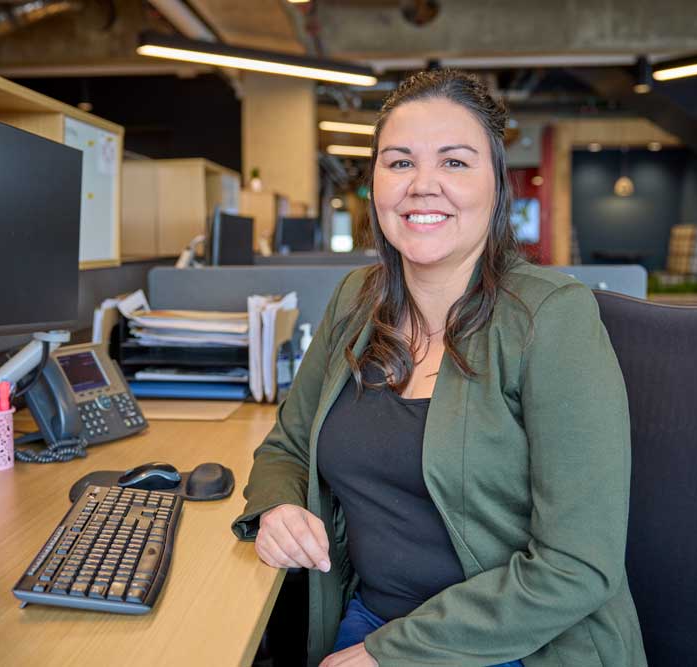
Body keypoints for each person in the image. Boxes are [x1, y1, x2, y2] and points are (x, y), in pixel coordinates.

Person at [232, 69, 647, 667]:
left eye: (454, 162)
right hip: (370, 620)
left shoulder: (550, 319)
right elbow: (287, 449)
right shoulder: (356, 301)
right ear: (374, 183)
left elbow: (577, 564)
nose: (422, 185)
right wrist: (276, 507)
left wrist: (391, 655)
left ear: (496, 186)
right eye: (399, 163)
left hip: (518, 644)